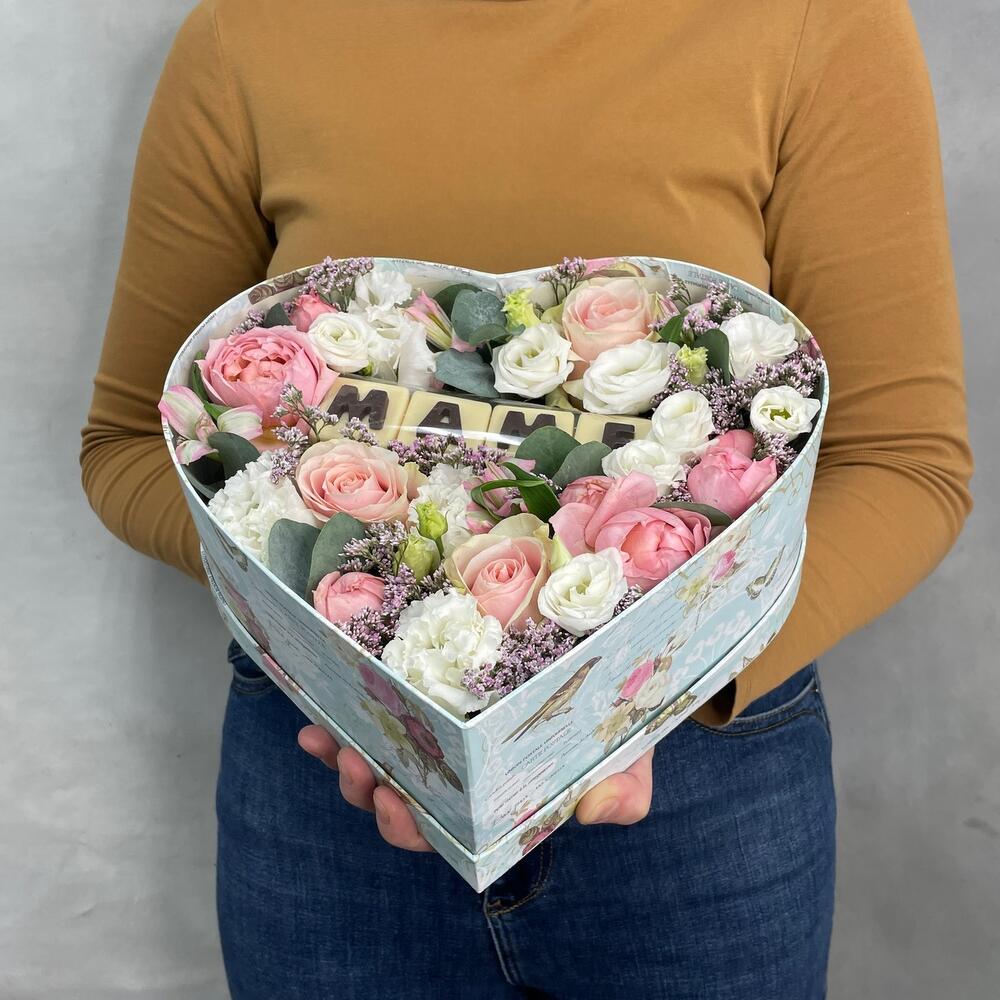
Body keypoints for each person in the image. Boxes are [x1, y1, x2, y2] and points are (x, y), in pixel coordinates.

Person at [80, 1, 972, 997]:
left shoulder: (815, 23)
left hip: (696, 779)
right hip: (334, 770)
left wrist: (649, 687)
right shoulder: (250, 35)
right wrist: (345, 651)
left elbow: (904, 463)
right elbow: (129, 444)